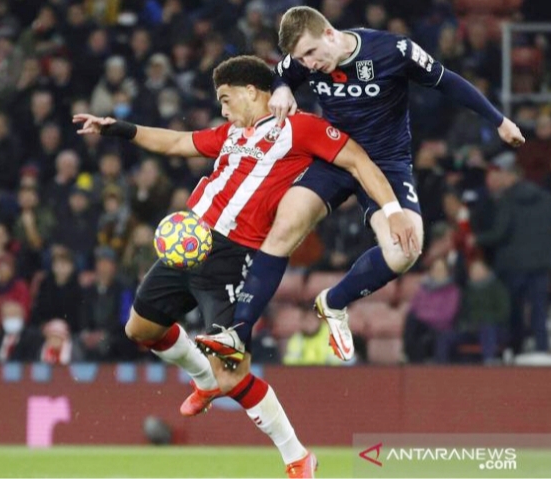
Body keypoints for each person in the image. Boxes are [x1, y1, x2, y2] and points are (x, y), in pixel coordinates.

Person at [74, 55, 414, 479]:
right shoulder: (231, 134)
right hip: (190, 240)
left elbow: (359, 161)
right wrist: (117, 128)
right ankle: (203, 379)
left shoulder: (300, 128)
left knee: (234, 376)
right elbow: (177, 143)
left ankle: (297, 457)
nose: (222, 109)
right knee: (140, 330)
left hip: (232, 257)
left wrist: (393, 211)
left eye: (225, 98)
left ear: (252, 92)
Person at [199, 6, 525, 366]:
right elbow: (279, 74)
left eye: (311, 54)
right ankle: (238, 332)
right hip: (335, 157)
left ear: (329, 34)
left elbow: (447, 81)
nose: (309, 64)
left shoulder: (392, 50)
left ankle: (334, 301)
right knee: (284, 227)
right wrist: (281, 88)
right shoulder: (303, 60)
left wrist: (499, 120)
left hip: (386, 164)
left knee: (405, 251)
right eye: (301, 59)